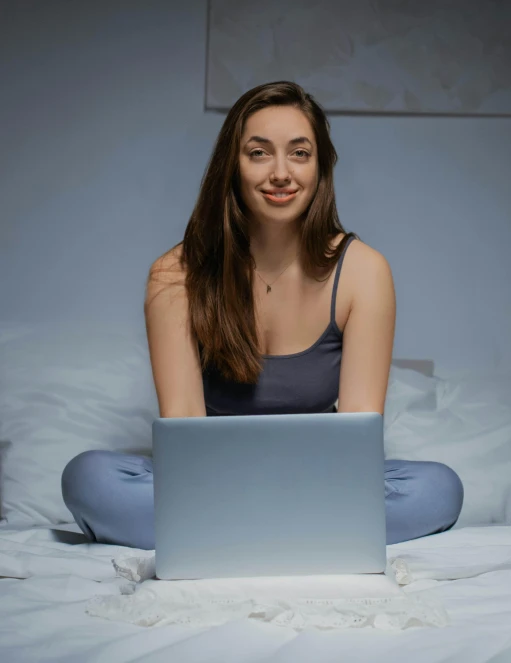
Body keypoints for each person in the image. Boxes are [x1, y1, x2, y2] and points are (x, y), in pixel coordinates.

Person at [61, 81, 464, 550]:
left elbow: (356, 441)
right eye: (258, 153)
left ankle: (227, 541)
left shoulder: (363, 271)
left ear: (321, 166)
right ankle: (300, 541)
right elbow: (184, 424)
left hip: (322, 484)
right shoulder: (176, 274)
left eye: (299, 153)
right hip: (209, 484)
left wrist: (295, 496)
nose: (280, 173)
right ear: (231, 165)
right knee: (87, 478)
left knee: (439, 489)